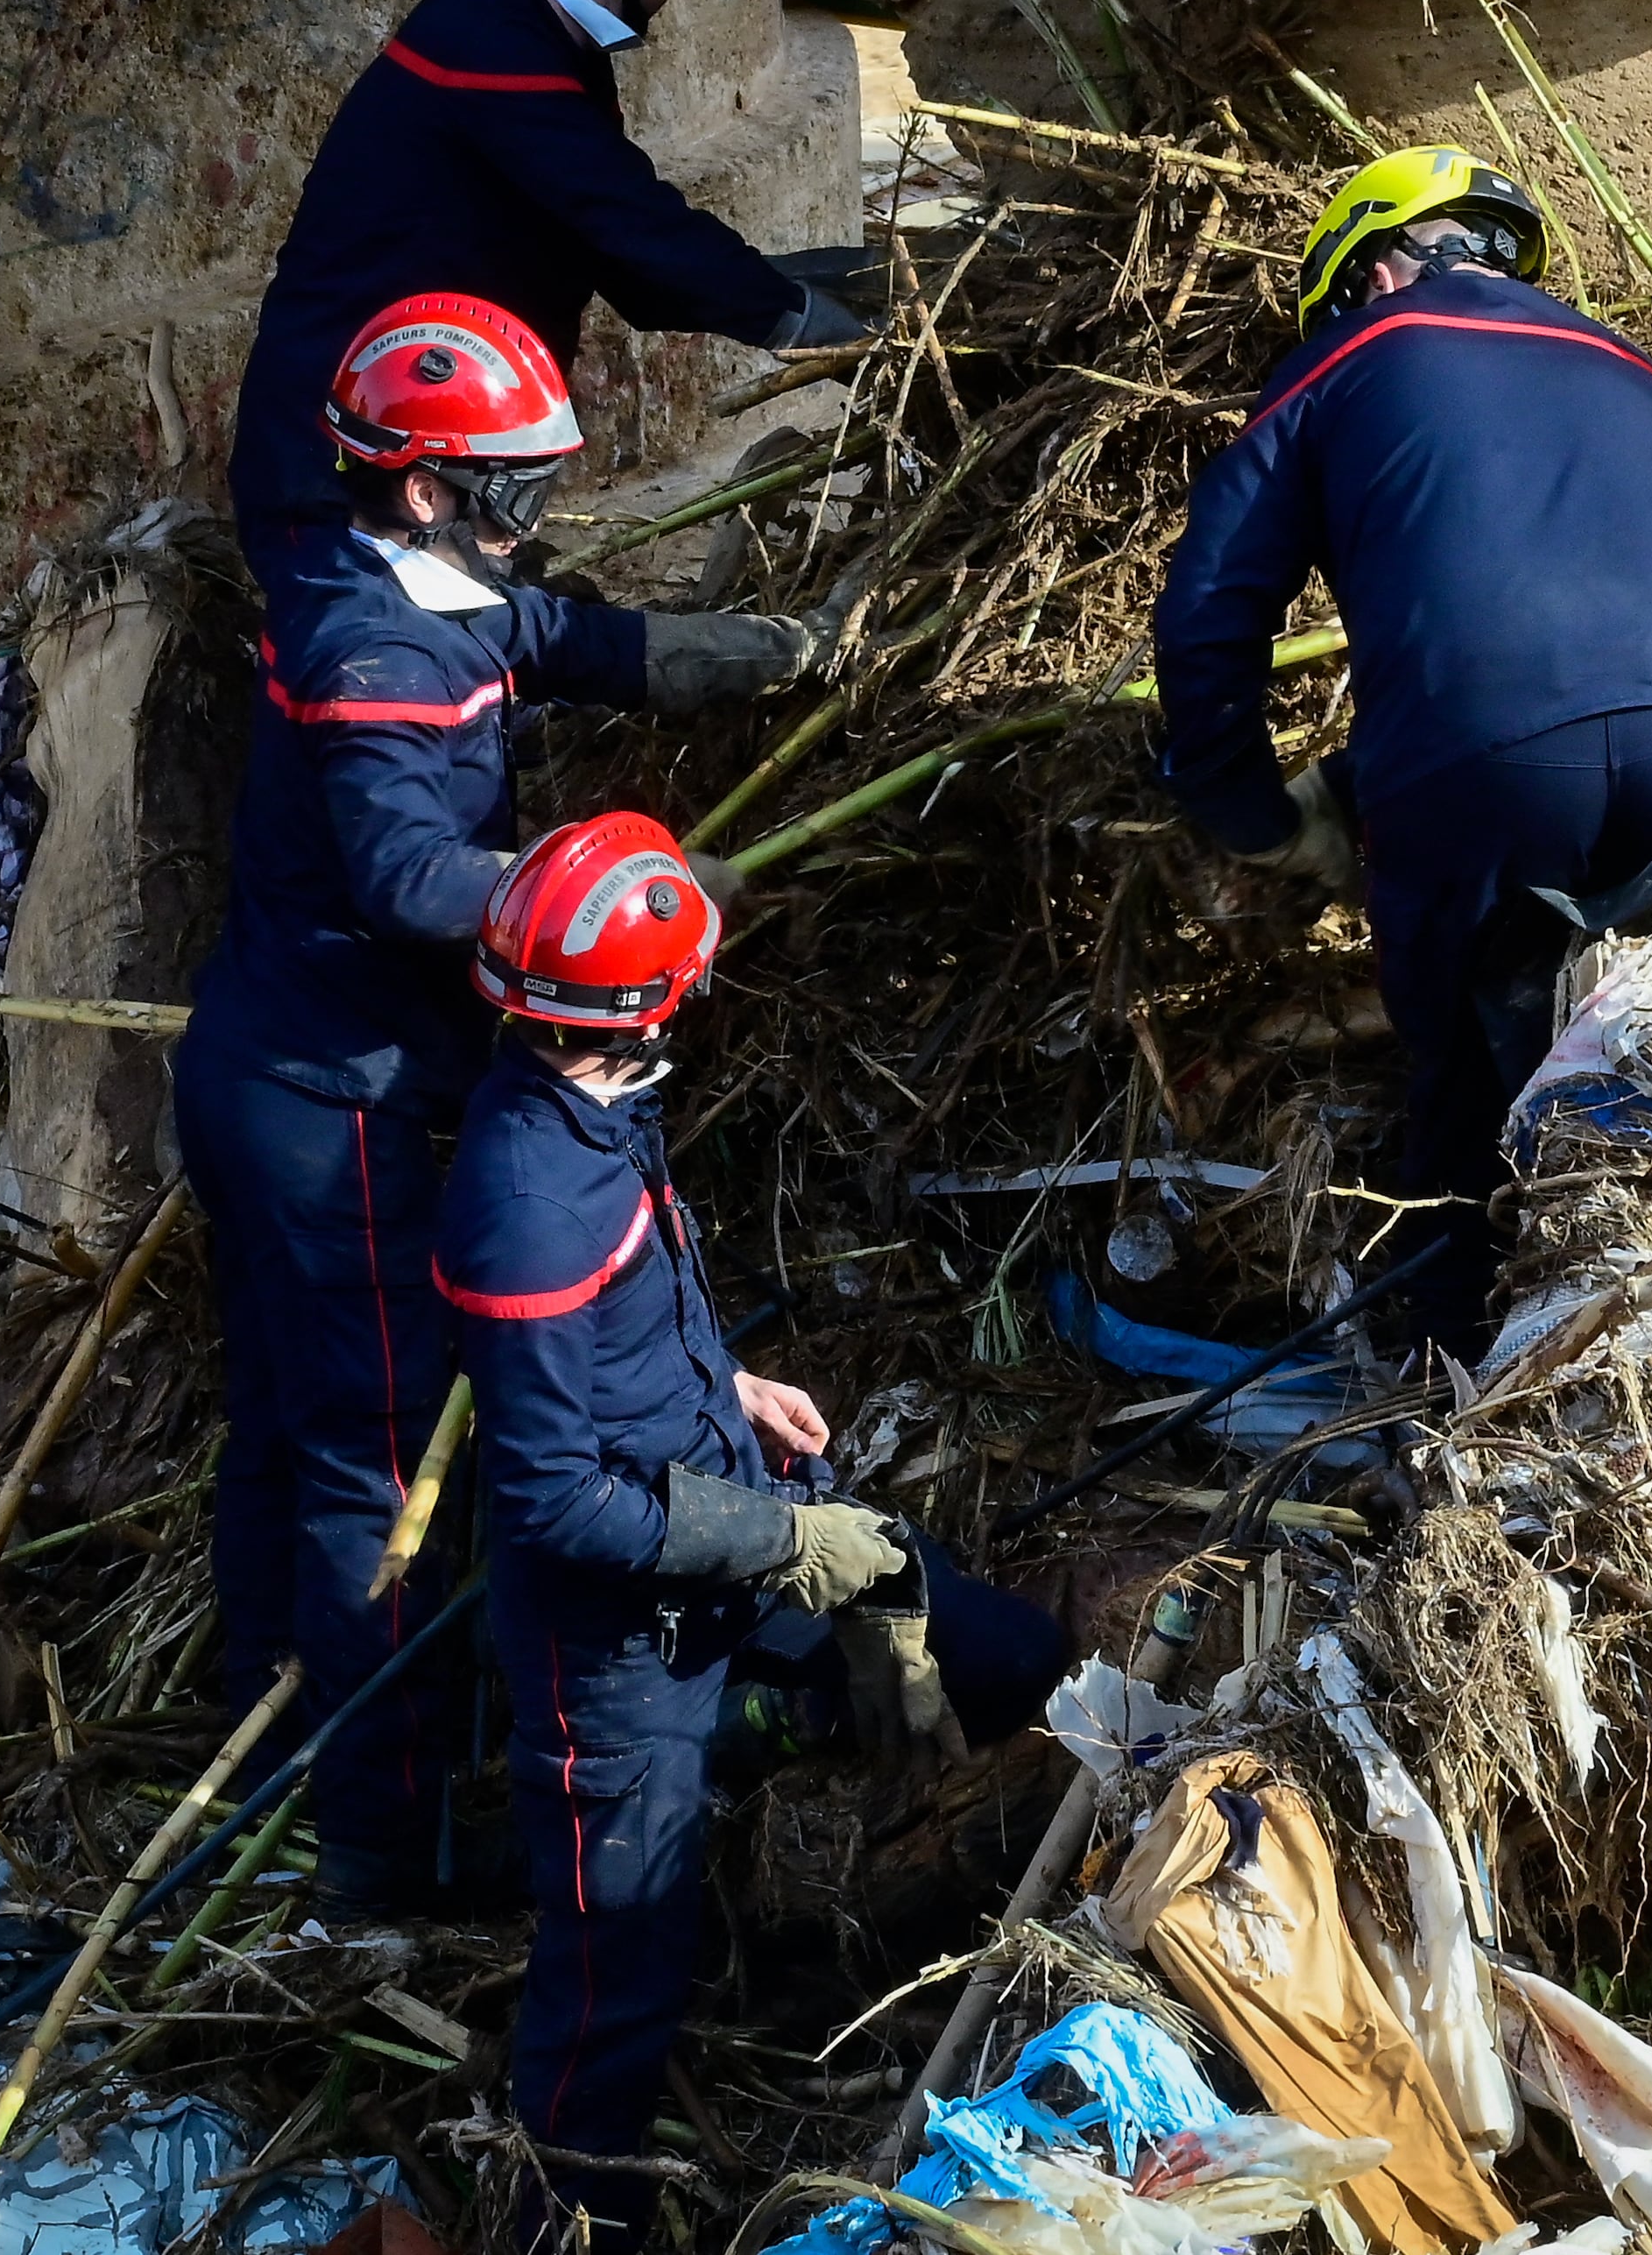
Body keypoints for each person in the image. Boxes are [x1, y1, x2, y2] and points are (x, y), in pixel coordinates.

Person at [173, 295, 823, 1926]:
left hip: (267, 1063)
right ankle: (377, 1855)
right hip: (335, 1111)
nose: (534, 505)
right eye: (509, 478)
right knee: (369, 1478)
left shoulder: (391, 583)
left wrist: (672, 656)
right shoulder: (376, 654)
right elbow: (405, 875)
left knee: (284, 1427)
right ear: (421, 488)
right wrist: (623, 894)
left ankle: (263, 1732)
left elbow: (529, 632)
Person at [439, 815, 1066, 2255]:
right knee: (616, 1979)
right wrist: (782, 1544)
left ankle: (956, 1839)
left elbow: (627, 1322)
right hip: (621, 1645)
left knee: (991, 1642)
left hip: (713, 1515)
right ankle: (560, 2220)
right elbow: (551, 1497)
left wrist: (727, 1385)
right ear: (645, 1003)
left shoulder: (594, 1102)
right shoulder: (526, 1200)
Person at [1149, 147, 1652, 1350]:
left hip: (1486, 764)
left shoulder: (1346, 354)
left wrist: (1252, 811)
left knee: (1456, 1086)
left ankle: (1461, 1377)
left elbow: (1207, 612)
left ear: (1374, 267)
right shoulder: (1634, 367)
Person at [229, 0, 878, 597]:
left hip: (417, 468)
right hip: (345, 479)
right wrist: (799, 317)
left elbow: (629, 270)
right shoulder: (496, 55)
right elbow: (630, 224)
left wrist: (819, 281)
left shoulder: (530, 40)